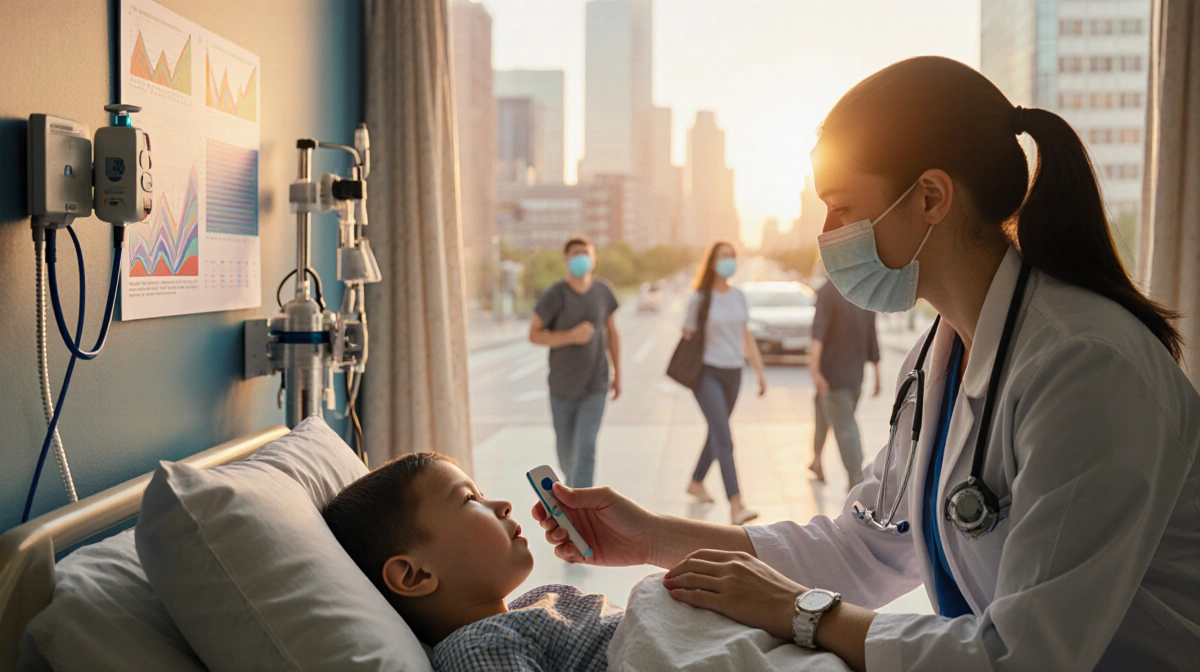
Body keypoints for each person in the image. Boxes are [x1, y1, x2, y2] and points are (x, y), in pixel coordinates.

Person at [531, 56, 1200, 671]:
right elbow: (865, 548)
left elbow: (1026, 657)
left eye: (841, 207)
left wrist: (803, 613)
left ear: (932, 197)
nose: (826, 237)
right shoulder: (941, 354)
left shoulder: (1088, 366)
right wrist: (649, 537)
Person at [322, 453, 623, 671]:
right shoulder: (477, 649)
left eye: (483, 494)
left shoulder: (533, 604)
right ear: (414, 575)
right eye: (469, 500)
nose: (504, 505)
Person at [681, 240, 768, 525]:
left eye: (732, 256)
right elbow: (688, 335)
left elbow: (746, 335)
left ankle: (696, 481)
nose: (729, 261)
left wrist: (759, 371)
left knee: (717, 434)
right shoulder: (700, 298)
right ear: (712, 262)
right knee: (725, 438)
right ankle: (736, 504)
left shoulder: (739, 295)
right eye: (723, 256)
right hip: (706, 374)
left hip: (734, 374)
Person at [528, 236, 621, 488]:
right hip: (562, 388)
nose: (580, 257)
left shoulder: (603, 291)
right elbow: (534, 334)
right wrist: (571, 336)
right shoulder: (554, 295)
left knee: (586, 449)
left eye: (585, 252)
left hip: (596, 384)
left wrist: (617, 374)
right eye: (575, 253)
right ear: (566, 259)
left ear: (593, 259)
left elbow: (612, 333)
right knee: (567, 455)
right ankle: (573, 492)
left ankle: (581, 515)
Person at [809, 264, 883, 488]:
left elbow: (817, 333)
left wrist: (814, 370)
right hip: (855, 378)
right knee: (823, 416)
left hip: (832, 378)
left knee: (845, 428)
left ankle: (857, 482)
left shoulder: (827, 292)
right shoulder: (866, 292)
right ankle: (816, 461)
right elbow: (873, 337)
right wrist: (878, 375)